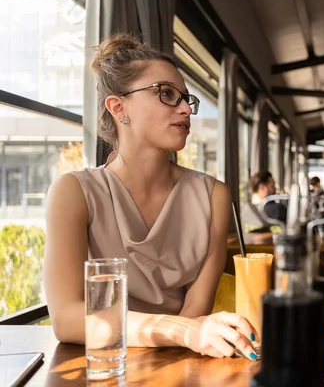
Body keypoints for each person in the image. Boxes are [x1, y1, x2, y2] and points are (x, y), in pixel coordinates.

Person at [43, 34, 258, 360]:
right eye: (167, 94)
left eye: (187, 99)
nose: (186, 109)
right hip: (101, 368)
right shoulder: (73, 193)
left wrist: (187, 334)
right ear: (119, 107)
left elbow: (194, 314)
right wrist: (184, 332)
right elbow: (67, 318)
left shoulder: (214, 195)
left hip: (179, 366)